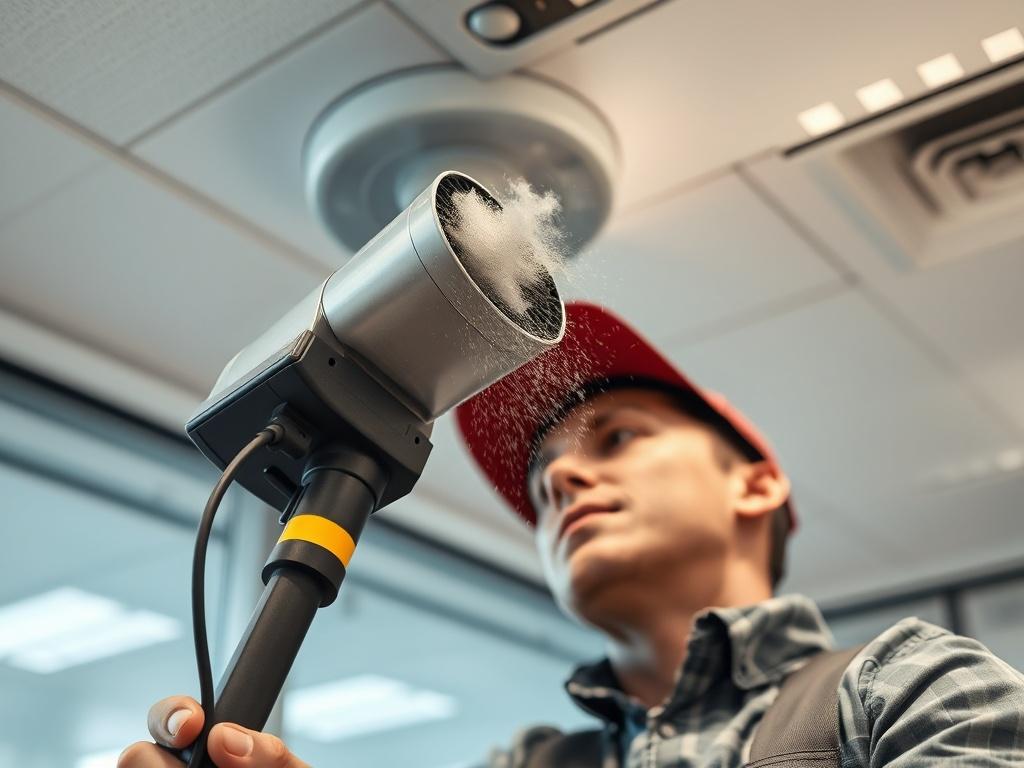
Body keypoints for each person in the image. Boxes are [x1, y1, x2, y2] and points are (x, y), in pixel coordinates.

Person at [119, 302, 1024, 768]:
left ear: (757, 480)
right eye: (544, 482)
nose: (565, 479)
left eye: (619, 439)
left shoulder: (910, 687)